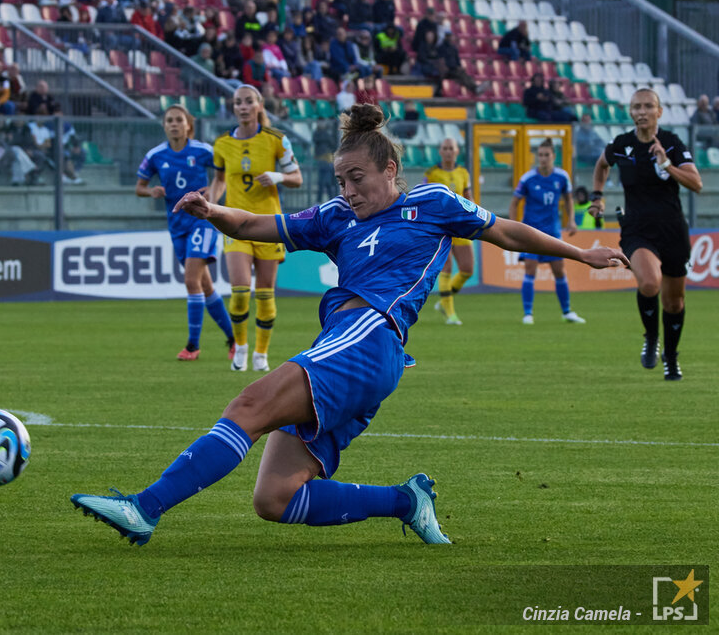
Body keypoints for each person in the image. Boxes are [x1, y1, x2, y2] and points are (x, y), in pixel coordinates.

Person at [70, 103, 628, 547]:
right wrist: (213, 213)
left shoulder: (433, 202)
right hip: (351, 349)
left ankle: (143, 508)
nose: (348, 190)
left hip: (371, 334)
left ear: (390, 169)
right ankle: (406, 501)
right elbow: (257, 222)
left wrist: (582, 254)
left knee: (248, 407)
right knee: (276, 498)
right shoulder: (337, 217)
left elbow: (506, 231)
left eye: (357, 178)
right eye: (340, 180)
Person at [589, 88, 702, 381]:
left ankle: (672, 358)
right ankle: (652, 338)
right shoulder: (621, 144)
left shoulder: (672, 143)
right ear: (630, 112)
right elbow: (601, 165)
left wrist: (667, 164)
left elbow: (696, 183)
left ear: (659, 112)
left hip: (672, 229)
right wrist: (597, 197)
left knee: (674, 302)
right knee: (650, 283)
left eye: (648, 106)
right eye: (636, 106)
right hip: (636, 229)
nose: (642, 111)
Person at [210, 84, 303, 372]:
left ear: (259, 105)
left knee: (265, 292)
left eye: (248, 102)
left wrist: (277, 176)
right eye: (238, 102)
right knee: (239, 290)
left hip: (268, 224)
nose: (243, 107)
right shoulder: (222, 143)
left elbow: (296, 177)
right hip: (235, 224)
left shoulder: (276, 139)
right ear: (233, 107)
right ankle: (240, 348)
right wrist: (209, 207)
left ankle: (261, 354)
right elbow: (219, 180)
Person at [136, 105, 236, 361]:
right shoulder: (155, 155)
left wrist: (212, 198)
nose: (173, 124)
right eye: (169, 120)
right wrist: (151, 192)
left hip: (201, 222)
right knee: (204, 285)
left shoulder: (202, 150)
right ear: (164, 125)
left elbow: (223, 173)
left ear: (188, 125)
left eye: (178, 120)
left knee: (191, 280)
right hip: (177, 225)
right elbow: (140, 187)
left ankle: (192, 346)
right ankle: (234, 339)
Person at [508, 139, 584, 325]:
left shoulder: (562, 177)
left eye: (546, 155)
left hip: (552, 231)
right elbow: (514, 202)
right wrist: (512, 225)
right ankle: (528, 314)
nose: (543, 158)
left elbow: (568, 199)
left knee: (559, 270)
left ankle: (567, 312)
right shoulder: (527, 178)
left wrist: (571, 219)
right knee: (530, 269)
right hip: (531, 231)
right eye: (540, 155)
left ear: (553, 156)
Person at [424, 138, 473, 325]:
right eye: (444, 148)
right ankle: (451, 314)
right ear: (440, 151)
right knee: (447, 267)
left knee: (467, 269)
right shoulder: (432, 173)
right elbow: (425, 197)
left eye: (451, 148)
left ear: (457, 151)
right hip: (441, 226)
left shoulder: (463, 173)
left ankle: (444, 300)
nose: (448, 152)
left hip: (461, 224)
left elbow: (468, 197)